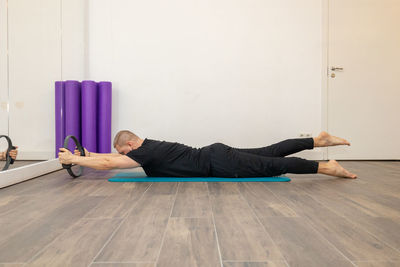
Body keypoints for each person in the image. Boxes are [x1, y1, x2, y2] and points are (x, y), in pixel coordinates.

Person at [58, 130, 357, 179]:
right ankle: (316, 140)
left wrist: (74, 160)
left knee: (272, 164)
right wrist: (87, 153)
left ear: (131, 146)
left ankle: (325, 166)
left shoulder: (144, 152)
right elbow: (108, 156)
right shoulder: (148, 145)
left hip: (220, 162)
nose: (125, 157)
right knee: (269, 151)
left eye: (125, 152)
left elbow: (110, 163)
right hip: (216, 154)